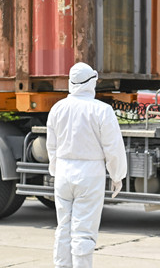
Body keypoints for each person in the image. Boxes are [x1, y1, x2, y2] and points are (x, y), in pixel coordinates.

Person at [46, 62, 128, 268]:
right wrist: (117, 175)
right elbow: (113, 148)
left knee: (63, 227)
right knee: (84, 231)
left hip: (63, 173)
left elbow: (51, 146)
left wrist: (56, 170)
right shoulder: (102, 110)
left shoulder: (57, 109)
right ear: (92, 82)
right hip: (90, 175)